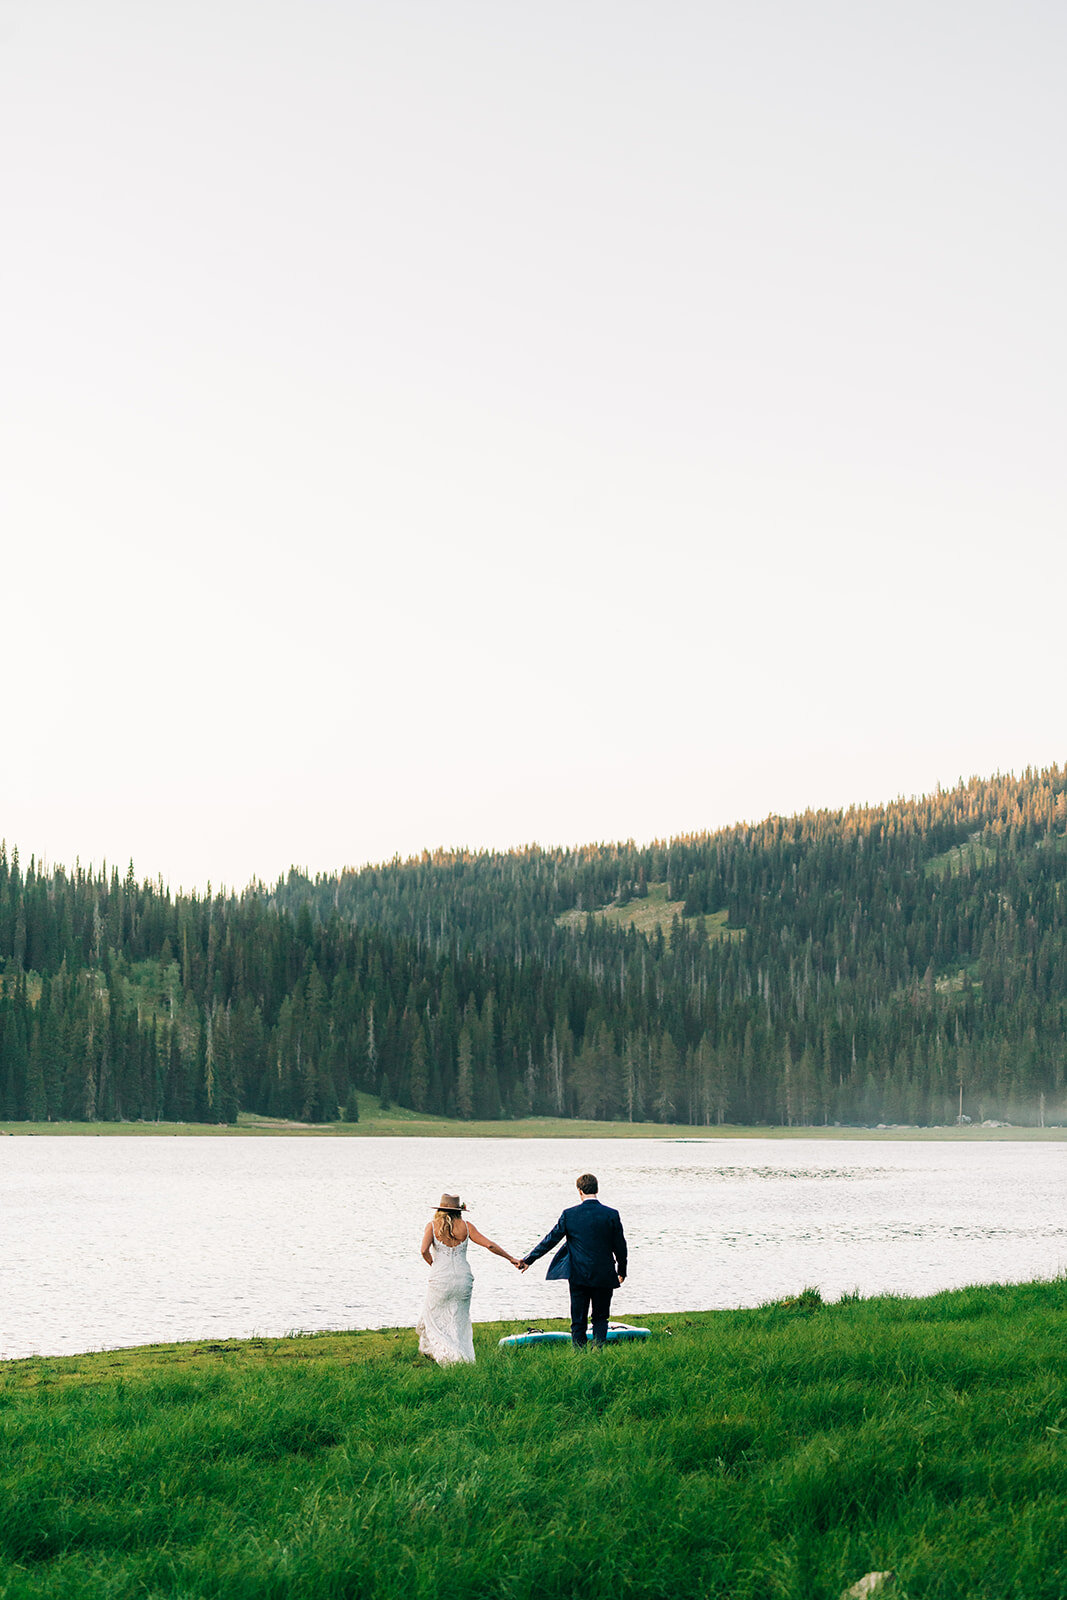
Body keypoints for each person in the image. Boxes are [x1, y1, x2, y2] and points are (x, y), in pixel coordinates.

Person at [518, 1173, 627, 1348]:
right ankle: (598, 1351)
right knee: (601, 1317)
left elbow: (551, 1240)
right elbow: (620, 1246)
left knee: (578, 1319)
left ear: (579, 1191)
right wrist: (622, 1271)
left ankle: (580, 1354)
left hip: (578, 1274)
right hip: (604, 1274)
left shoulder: (570, 1215)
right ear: (597, 1189)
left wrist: (529, 1260)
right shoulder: (611, 1214)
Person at [417, 1192, 520, 1365]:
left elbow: (423, 1251)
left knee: (433, 1316)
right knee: (459, 1319)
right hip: (463, 1278)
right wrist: (511, 1259)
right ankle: (461, 1356)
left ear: (440, 1209)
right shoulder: (467, 1226)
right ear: (459, 1210)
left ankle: (450, 1356)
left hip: (440, 1277)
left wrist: (434, 1264)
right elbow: (489, 1245)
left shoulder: (432, 1226)